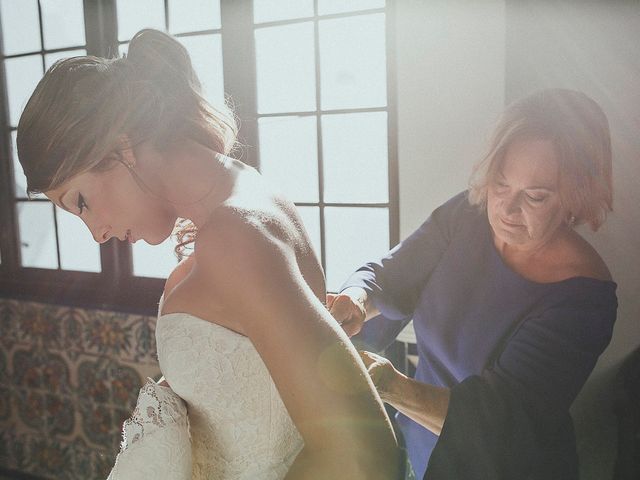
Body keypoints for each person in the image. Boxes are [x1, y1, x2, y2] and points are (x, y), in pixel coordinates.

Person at [16, 29, 402, 479]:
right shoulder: (250, 193)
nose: (97, 234)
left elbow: (363, 456)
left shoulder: (233, 234)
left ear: (119, 147)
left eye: (80, 202)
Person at [328, 88, 618, 479]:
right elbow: (394, 272)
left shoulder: (584, 300)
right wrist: (355, 299)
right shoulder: (467, 216)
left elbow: (495, 422)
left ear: (575, 194)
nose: (507, 209)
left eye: (535, 196)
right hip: (421, 446)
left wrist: (385, 382)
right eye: (501, 184)